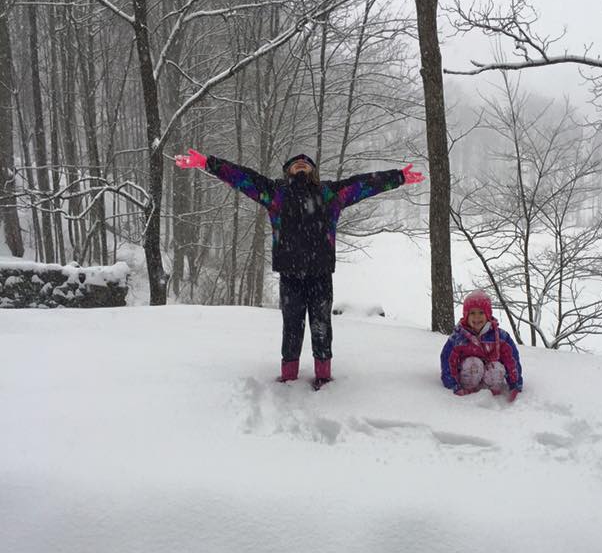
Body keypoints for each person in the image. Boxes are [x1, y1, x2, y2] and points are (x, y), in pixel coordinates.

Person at [175, 148, 424, 388]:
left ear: (313, 170)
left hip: (321, 275)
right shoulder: (276, 193)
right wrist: (208, 162)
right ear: (288, 171)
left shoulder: (329, 193)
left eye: (306, 162)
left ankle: (324, 377)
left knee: (322, 327)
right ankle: (289, 377)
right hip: (290, 276)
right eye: (296, 162)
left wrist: (398, 177)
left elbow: (363, 184)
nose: (302, 163)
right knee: (292, 326)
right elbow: (243, 177)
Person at [440, 290, 523, 401]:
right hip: (469, 374)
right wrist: (452, 384)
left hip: (490, 375)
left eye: (481, 313)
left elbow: (511, 360)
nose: (477, 317)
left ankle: (493, 394)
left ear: (488, 315)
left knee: (496, 367)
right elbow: (448, 360)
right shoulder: (459, 338)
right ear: (466, 315)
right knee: (473, 363)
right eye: (472, 313)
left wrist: (515, 383)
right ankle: (469, 393)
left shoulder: (499, 336)